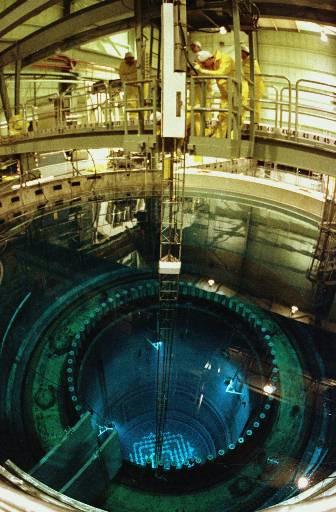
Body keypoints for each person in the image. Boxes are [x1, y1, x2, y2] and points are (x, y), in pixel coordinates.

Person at [194, 49, 235, 138]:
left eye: (204, 64)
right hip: (226, 94)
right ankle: (216, 138)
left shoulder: (225, 59)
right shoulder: (214, 64)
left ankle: (227, 140)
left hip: (238, 93)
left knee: (235, 118)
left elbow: (221, 73)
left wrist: (202, 70)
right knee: (223, 116)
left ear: (209, 59)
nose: (205, 66)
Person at [241, 44, 265, 124]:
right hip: (250, 87)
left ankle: (255, 122)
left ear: (244, 53)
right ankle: (240, 119)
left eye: (241, 52)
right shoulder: (246, 62)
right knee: (244, 103)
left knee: (255, 105)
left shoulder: (252, 62)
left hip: (256, 88)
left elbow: (253, 75)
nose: (240, 55)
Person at [118, 52, 138, 122]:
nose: (129, 61)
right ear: (125, 59)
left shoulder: (137, 63)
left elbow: (137, 75)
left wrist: (128, 76)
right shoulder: (122, 65)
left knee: (139, 101)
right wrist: (130, 77)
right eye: (128, 59)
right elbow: (121, 76)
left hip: (137, 85)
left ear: (133, 59)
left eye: (131, 59)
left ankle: (142, 117)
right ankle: (132, 118)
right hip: (128, 86)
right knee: (130, 102)